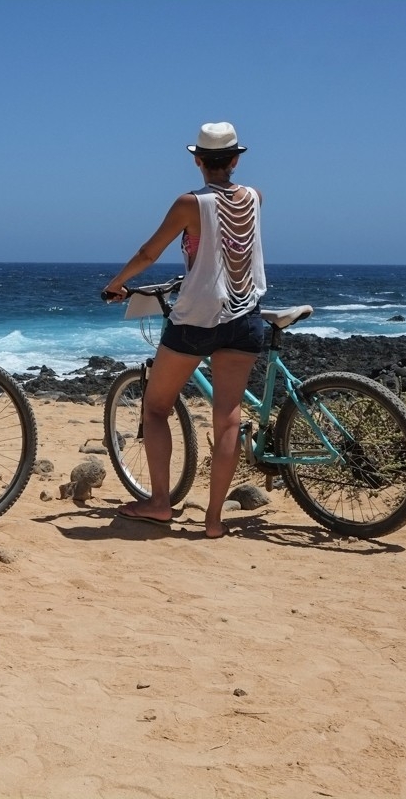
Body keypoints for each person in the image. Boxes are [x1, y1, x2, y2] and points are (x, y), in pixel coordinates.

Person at [102, 121, 266, 539]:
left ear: (198, 161)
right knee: (228, 419)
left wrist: (116, 284)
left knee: (156, 407)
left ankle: (159, 503)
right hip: (245, 316)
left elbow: (148, 252)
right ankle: (214, 520)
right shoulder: (255, 198)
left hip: (197, 320)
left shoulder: (189, 203)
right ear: (234, 160)